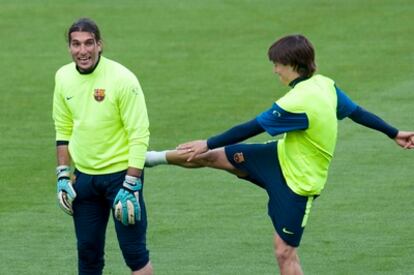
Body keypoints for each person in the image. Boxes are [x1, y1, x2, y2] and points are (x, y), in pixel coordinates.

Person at [145, 34, 414, 274]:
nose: (275, 70)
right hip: (278, 159)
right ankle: (148, 159)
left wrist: (209, 140)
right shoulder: (325, 85)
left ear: (293, 65)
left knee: (284, 252)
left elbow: (252, 127)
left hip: (298, 184)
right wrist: (393, 132)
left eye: (277, 64)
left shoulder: (299, 100)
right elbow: (357, 112)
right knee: (210, 155)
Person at [52, 18, 153, 275]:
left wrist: (132, 183)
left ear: (99, 45)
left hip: (121, 178)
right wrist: (63, 174)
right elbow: (62, 128)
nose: (82, 51)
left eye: (88, 43)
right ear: (69, 47)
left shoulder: (122, 79)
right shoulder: (63, 77)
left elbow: (139, 134)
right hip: (84, 180)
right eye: (76, 44)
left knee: (135, 254)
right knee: (87, 254)